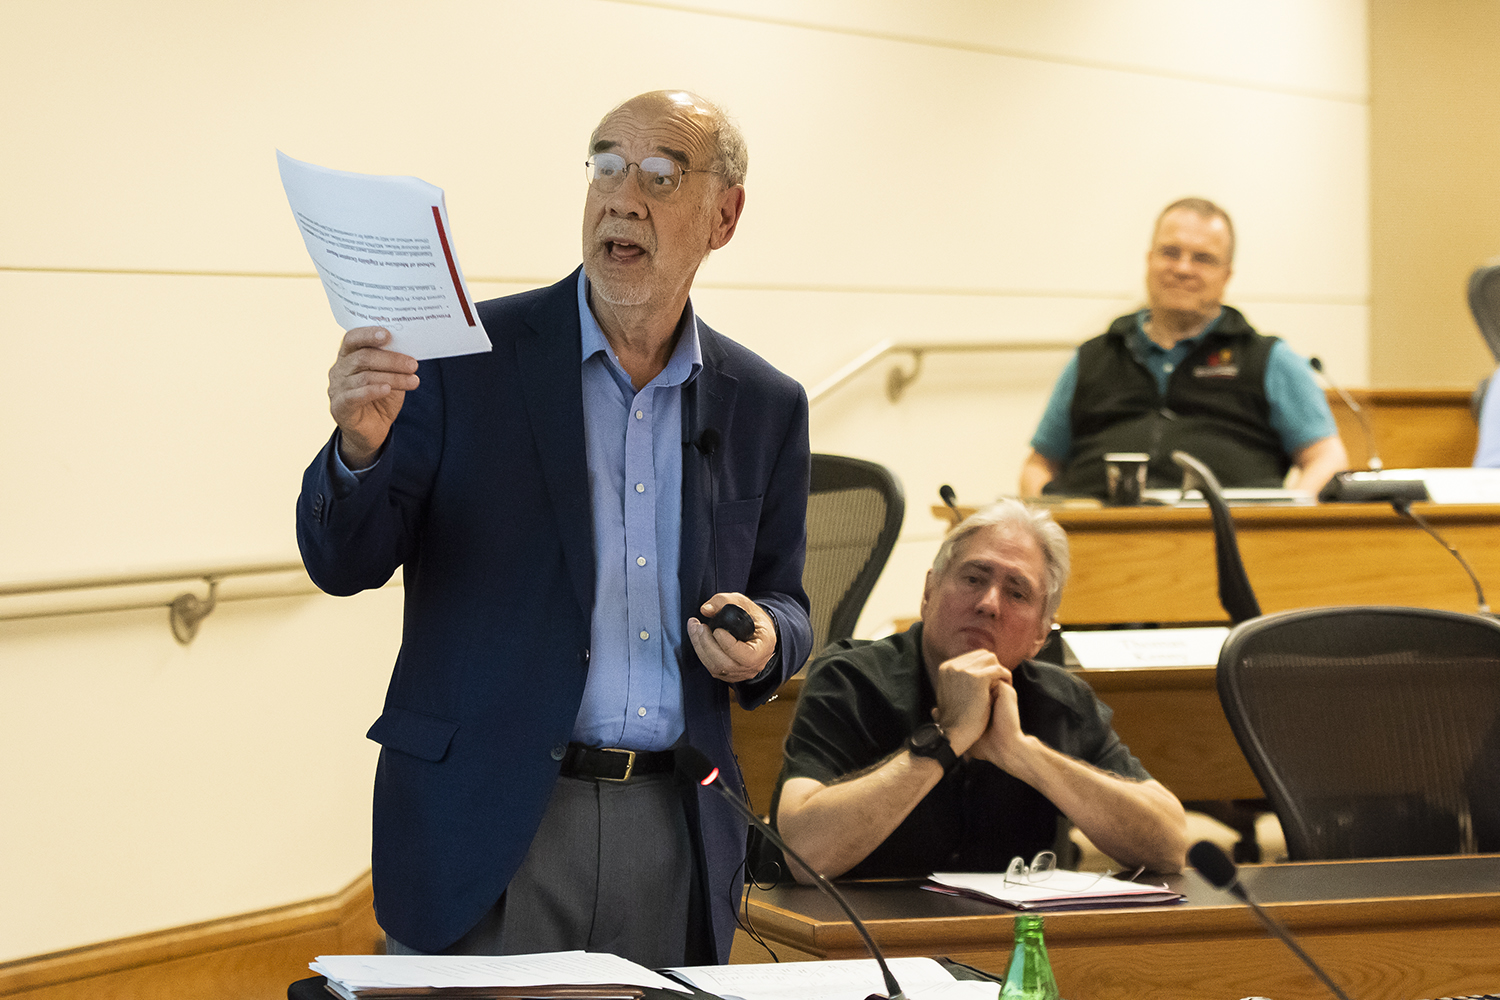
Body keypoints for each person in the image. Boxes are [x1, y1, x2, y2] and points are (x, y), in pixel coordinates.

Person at [296, 90, 813, 966]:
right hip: (490, 822)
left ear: (723, 217)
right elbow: (344, 562)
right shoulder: (464, 359)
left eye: (660, 175)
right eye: (605, 165)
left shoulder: (764, 403)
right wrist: (358, 447)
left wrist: (768, 641)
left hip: (673, 828)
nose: (622, 197)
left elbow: (787, 601)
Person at [771, 501, 1188, 881]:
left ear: (1040, 635)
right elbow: (804, 854)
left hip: (1012, 942)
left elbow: (1170, 848)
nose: (989, 603)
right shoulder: (850, 680)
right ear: (929, 592)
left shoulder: (1061, 699)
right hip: (860, 944)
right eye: (973, 578)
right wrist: (946, 739)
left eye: (1017, 592)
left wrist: (1021, 753)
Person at [1020, 198, 1347, 499]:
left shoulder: (1271, 360)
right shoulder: (1090, 357)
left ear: (1226, 275)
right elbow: (1039, 466)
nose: (1183, 268)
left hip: (1231, 544)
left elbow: (1327, 457)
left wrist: (1284, 524)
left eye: (1203, 258)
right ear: (1149, 260)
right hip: (1099, 544)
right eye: (1170, 252)